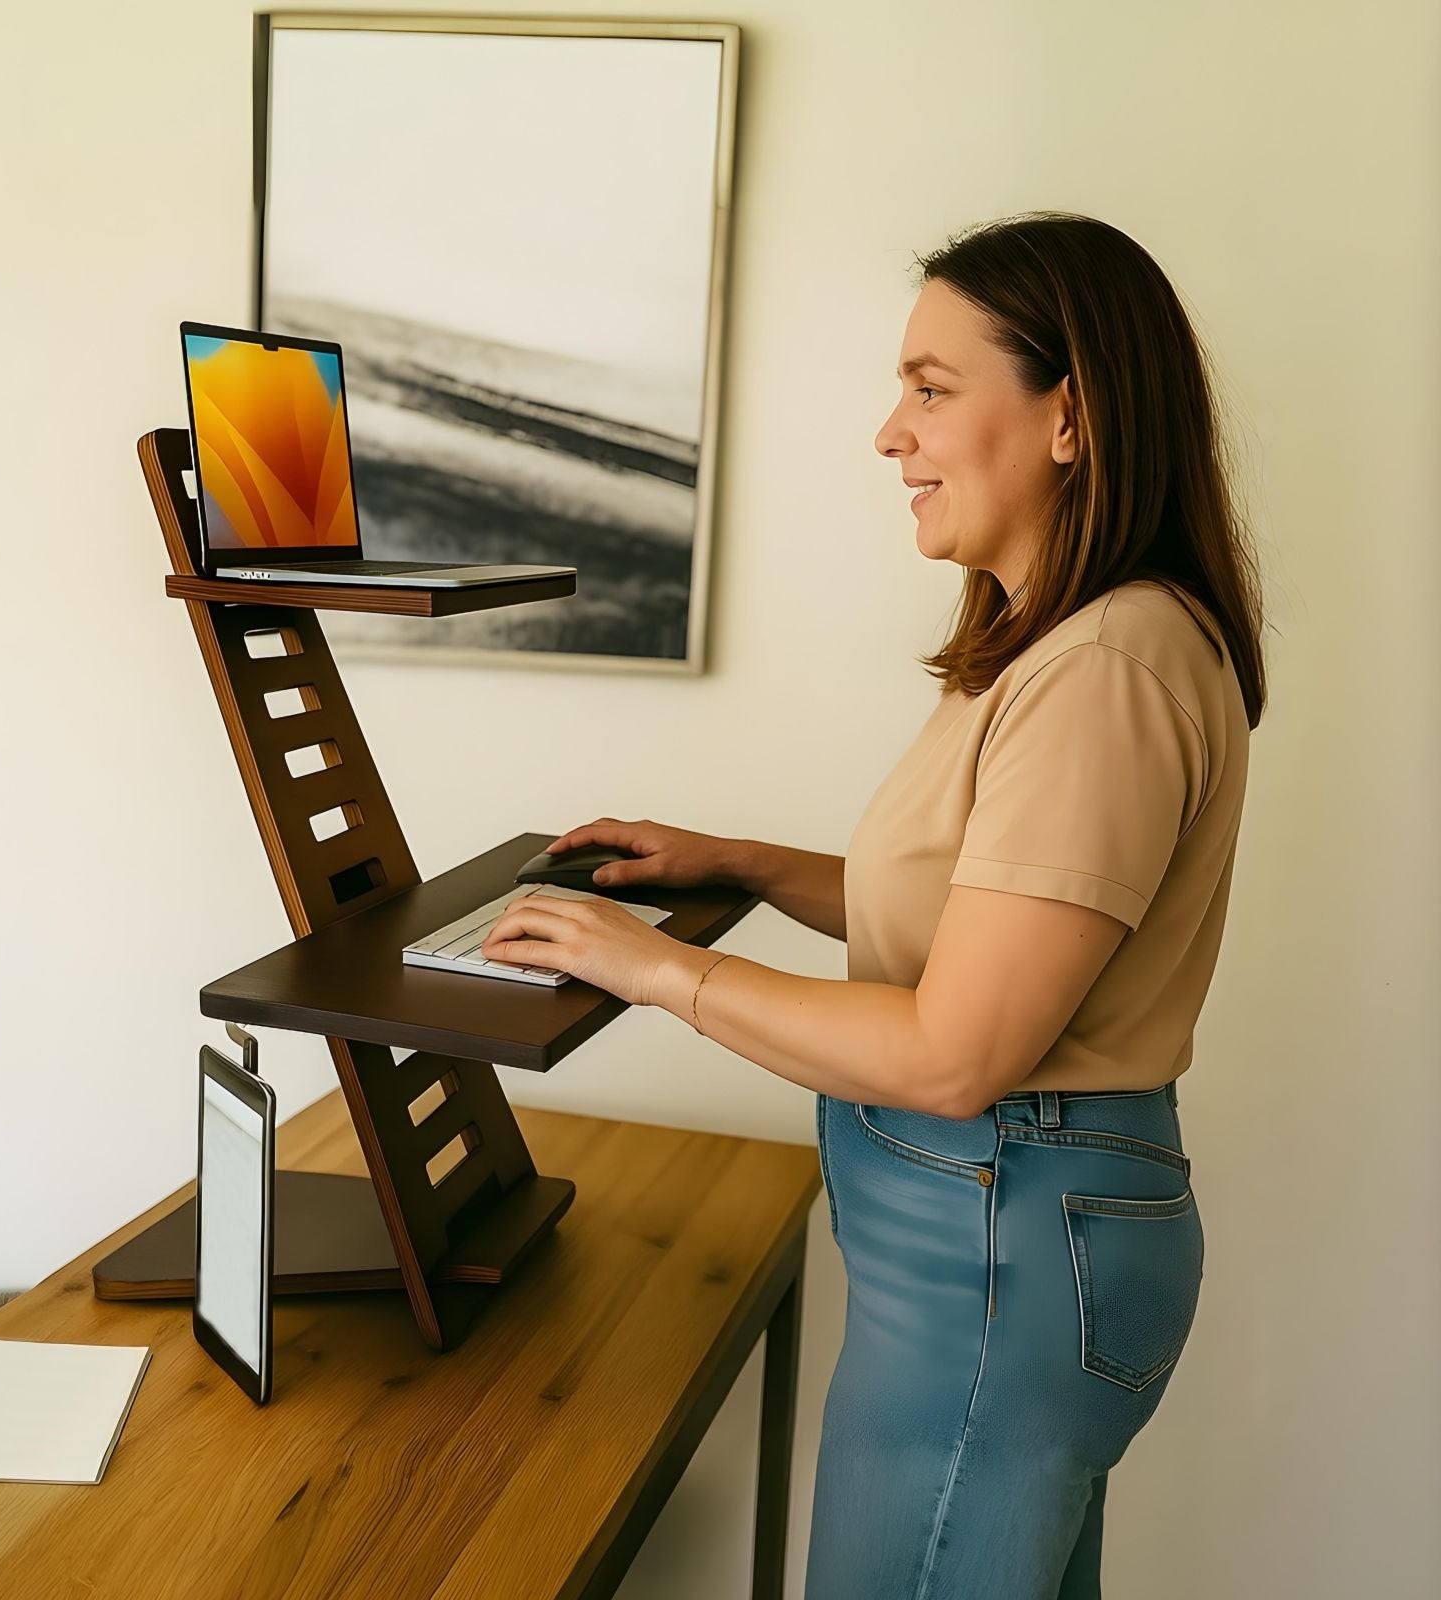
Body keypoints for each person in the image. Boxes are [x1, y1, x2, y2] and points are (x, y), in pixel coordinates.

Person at [479, 210, 1266, 1598]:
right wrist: (747, 866)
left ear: (1069, 415)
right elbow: (990, 928)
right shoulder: (1062, 650)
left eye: (930, 387)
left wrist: (654, 972)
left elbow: (959, 1050)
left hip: (1006, 1248)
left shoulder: (1107, 670)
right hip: (1000, 1240)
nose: (889, 434)